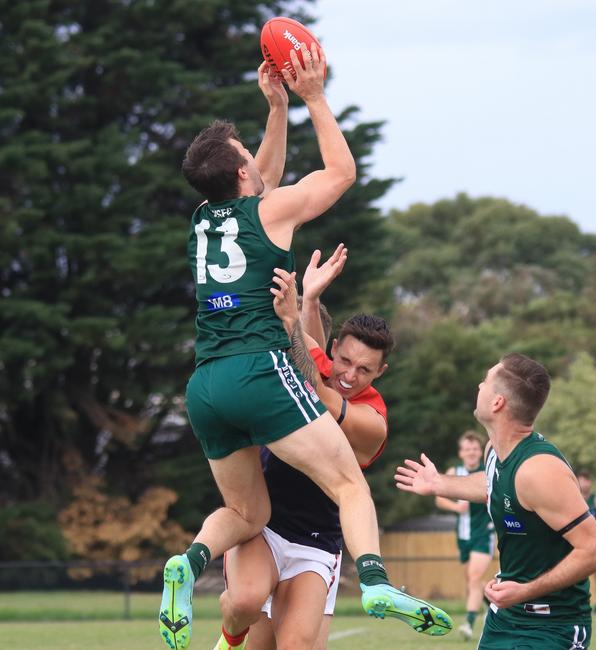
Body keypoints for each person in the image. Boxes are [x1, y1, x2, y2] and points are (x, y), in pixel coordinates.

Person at [159, 47, 451, 650]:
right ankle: (374, 582)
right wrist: (314, 97)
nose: (254, 164)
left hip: (205, 385)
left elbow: (256, 178)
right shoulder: (271, 209)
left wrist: (274, 110)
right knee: (350, 487)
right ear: (241, 175)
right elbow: (339, 174)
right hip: (257, 370)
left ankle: (187, 563)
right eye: (246, 158)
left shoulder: (204, 219)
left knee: (246, 515)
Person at [217, 251, 395, 650]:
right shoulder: (323, 363)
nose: (350, 375)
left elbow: (323, 393)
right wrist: (309, 300)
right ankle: (227, 637)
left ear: (380, 373)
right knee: (252, 628)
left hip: (318, 540)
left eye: (364, 370)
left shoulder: (373, 417)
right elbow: (311, 357)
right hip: (268, 526)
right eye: (345, 360)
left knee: (299, 645)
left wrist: (298, 317)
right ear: (334, 350)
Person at [395, 353, 596, 649]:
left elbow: (595, 550)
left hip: (552, 626)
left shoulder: (539, 470)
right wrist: (439, 484)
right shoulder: (495, 451)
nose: (479, 385)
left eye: (486, 381)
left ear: (498, 403)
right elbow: (493, 486)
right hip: (504, 617)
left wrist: (525, 591)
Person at [435, 431, 495, 641]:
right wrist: (455, 507)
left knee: (475, 577)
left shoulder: (487, 471)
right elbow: (439, 499)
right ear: (461, 453)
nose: (471, 452)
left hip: (484, 533)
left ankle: (469, 624)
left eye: (475, 449)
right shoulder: (455, 471)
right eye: (467, 449)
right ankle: (493, 604)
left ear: (480, 452)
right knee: (472, 580)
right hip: (463, 536)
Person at [576, 470, 596, 615]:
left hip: (595, 542)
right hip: (578, 543)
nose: (584, 483)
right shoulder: (575, 499)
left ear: (590, 482)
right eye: (581, 480)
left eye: (586, 480)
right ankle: (581, 603)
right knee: (578, 574)